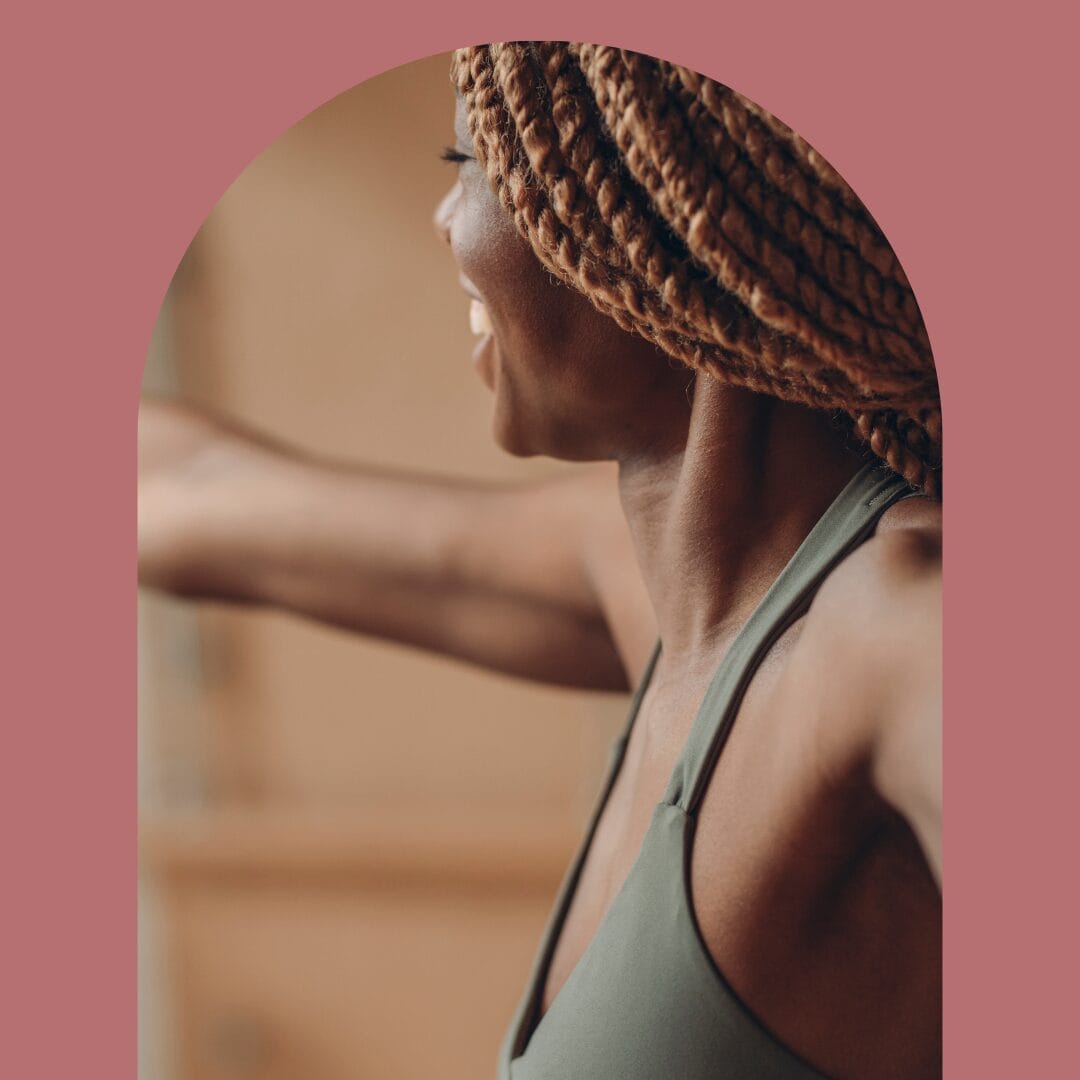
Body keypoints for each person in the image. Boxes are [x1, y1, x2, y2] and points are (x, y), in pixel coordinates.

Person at [140, 43, 942, 1079]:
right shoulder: (661, 583)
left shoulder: (900, 629)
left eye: (469, 161)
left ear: (656, 206)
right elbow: (189, 500)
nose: (446, 219)